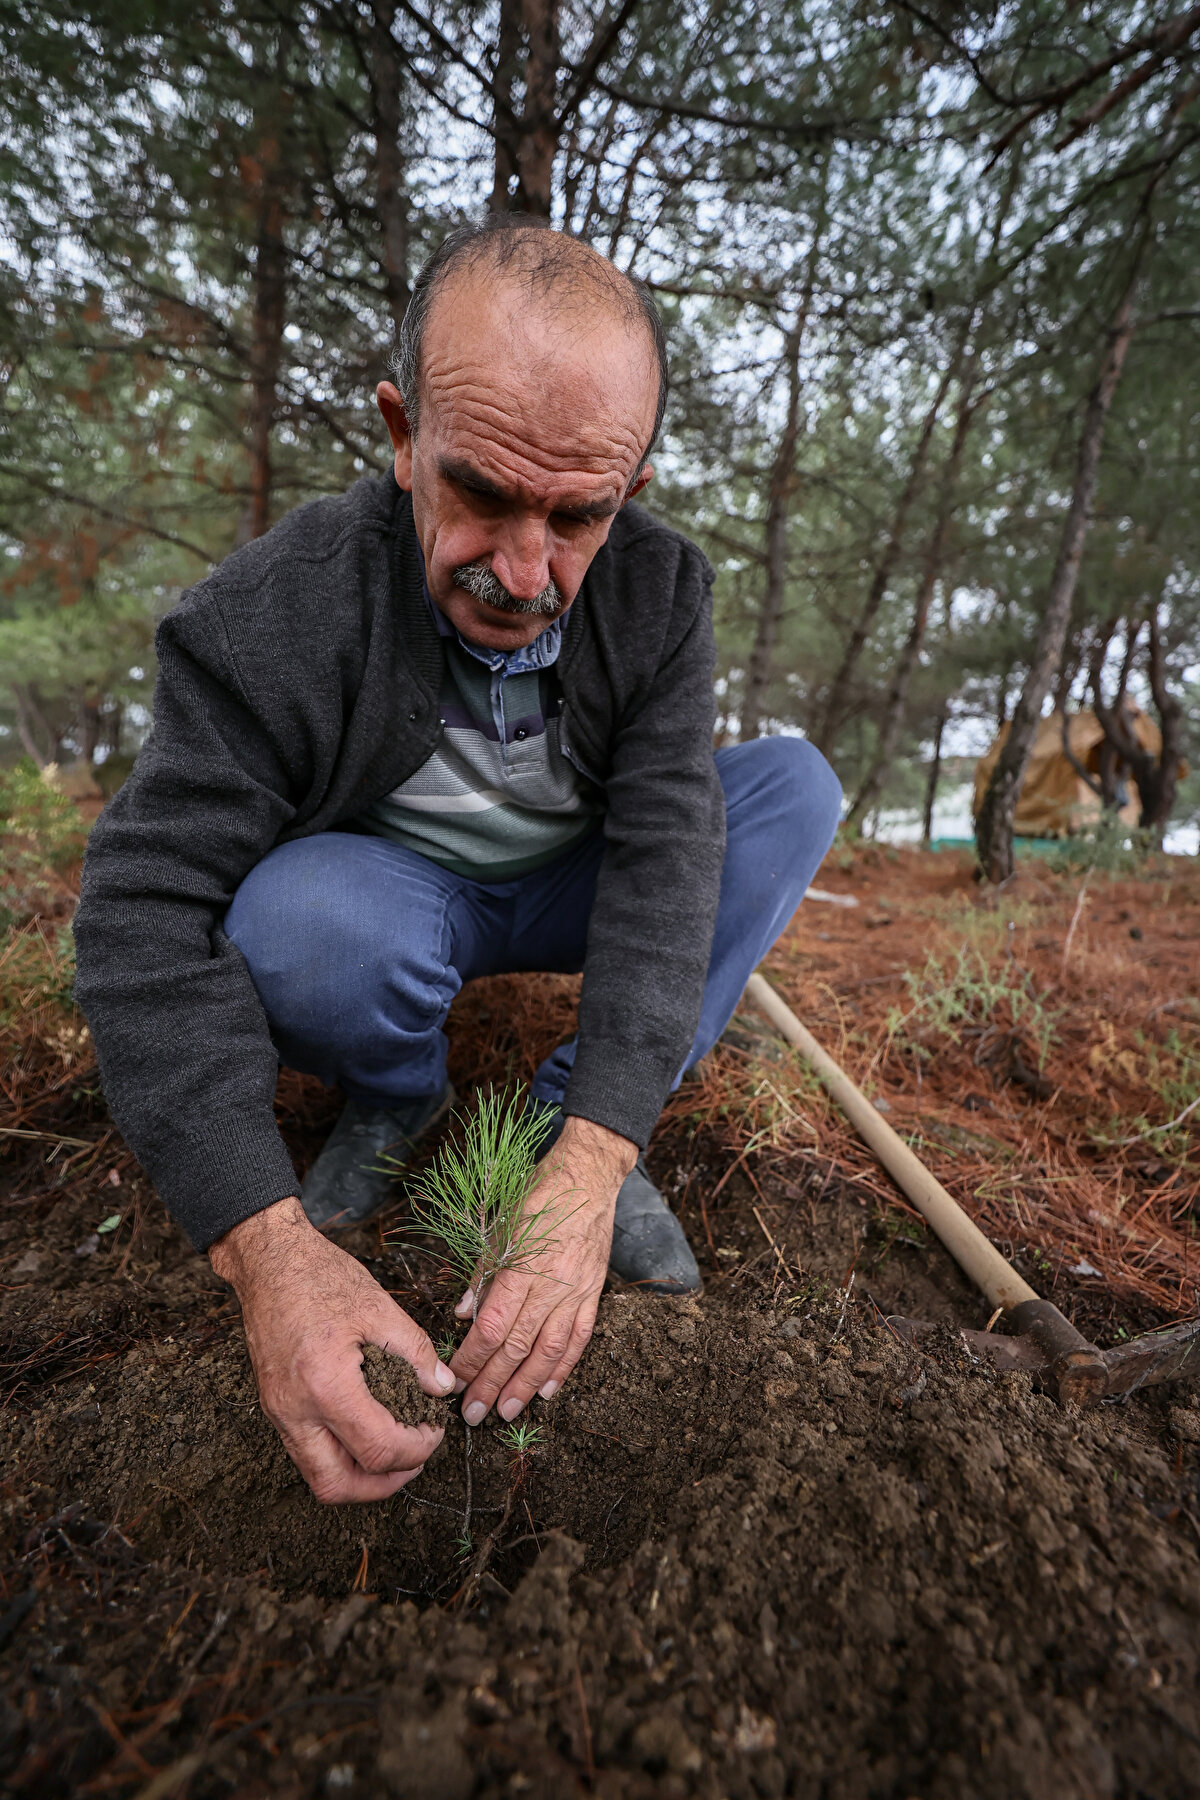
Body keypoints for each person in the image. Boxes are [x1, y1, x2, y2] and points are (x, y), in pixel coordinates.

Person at [73, 216, 842, 1507]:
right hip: (394, 896)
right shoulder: (275, 611)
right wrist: (263, 1248)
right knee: (297, 924)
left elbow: (666, 852)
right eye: (481, 492)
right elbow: (140, 908)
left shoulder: (660, 593)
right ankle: (397, 1093)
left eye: (578, 514)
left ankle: (558, 1118)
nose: (524, 571)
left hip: (577, 881)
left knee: (791, 791)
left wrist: (594, 1158)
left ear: (628, 489)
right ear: (401, 435)